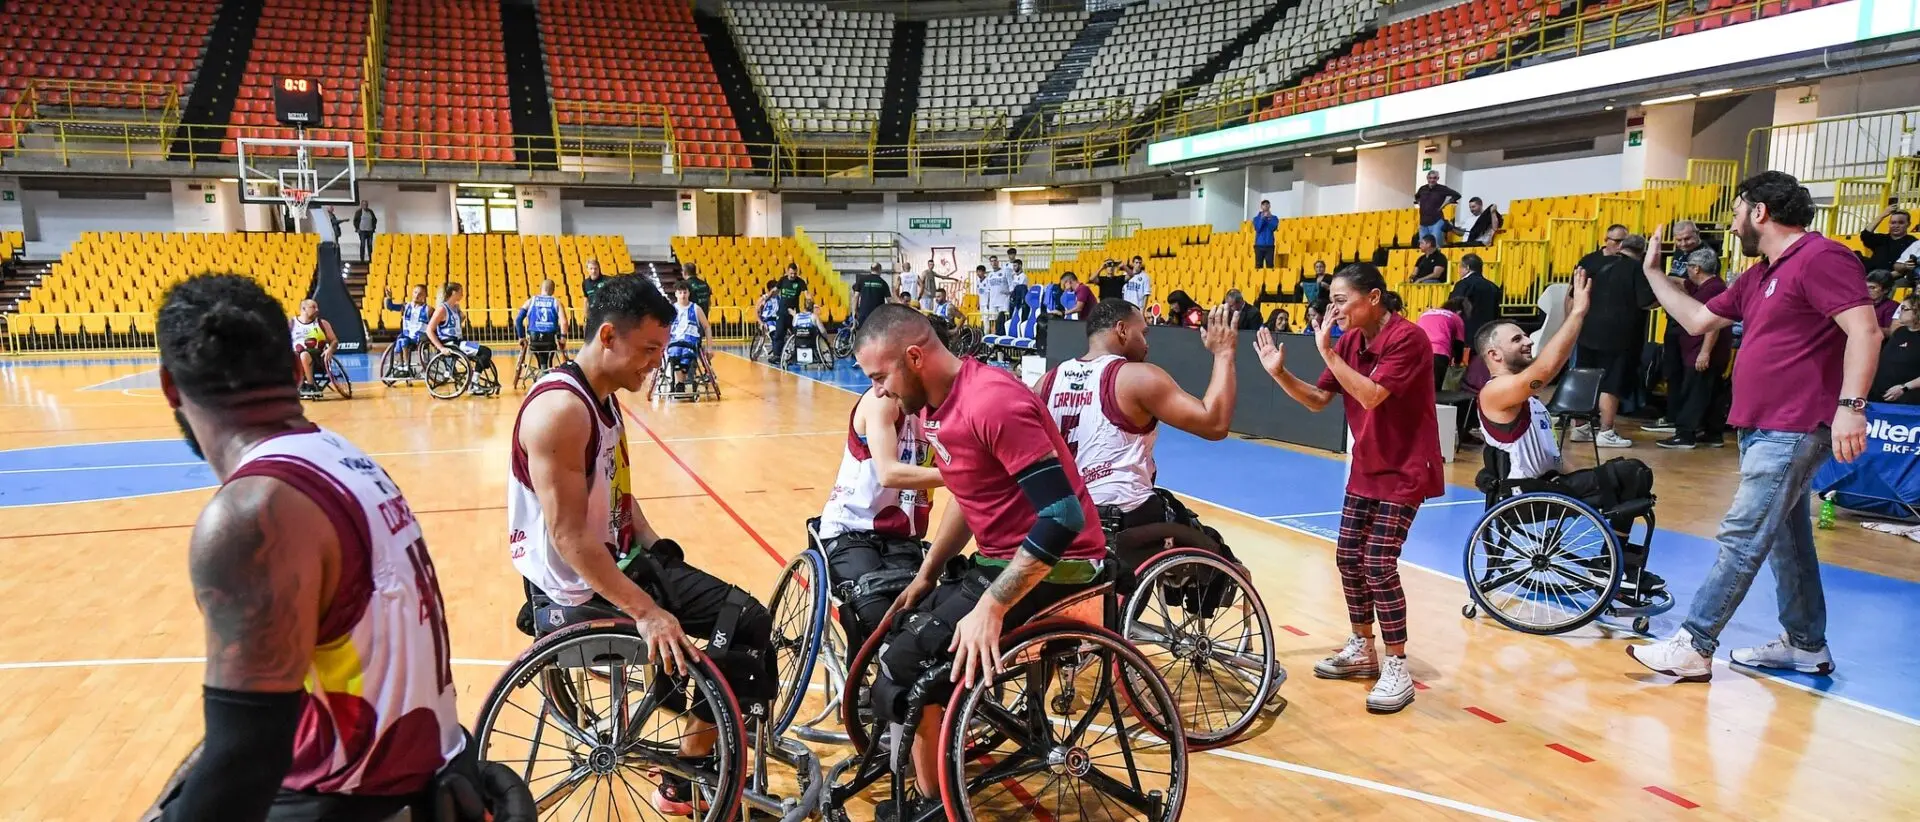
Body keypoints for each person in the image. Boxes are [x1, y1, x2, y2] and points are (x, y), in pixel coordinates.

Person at [142, 274, 480, 821]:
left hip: (356, 801)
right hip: (427, 775)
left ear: (170, 388)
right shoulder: (344, 456)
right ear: (299, 369)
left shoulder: (253, 513)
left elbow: (245, 759)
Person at [508, 275, 775, 814]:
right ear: (608, 336)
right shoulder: (561, 411)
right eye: (650, 349)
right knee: (742, 624)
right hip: (576, 589)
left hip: (613, 560)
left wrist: (657, 548)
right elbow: (568, 538)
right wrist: (648, 611)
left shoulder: (603, 398)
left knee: (739, 617)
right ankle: (686, 772)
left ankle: (696, 733)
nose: (657, 362)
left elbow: (617, 500)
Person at [852, 305, 1107, 821]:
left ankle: (931, 805)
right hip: (999, 560)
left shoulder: (992, 402)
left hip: (1062, 566)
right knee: (898, 628)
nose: (878, 392)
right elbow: (970, 498)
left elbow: (1062, 517)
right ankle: (932, 772)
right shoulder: (933, 408)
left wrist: (993, 604)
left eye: (880, 377)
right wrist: (926, 575)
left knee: (911, 662)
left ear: (915, 356)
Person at [1627, 171, 1879, 682]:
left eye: (1738, 209)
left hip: (1794, 425)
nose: (1734, 221)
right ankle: (1806, 643)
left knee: (1742, 534)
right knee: (1788, 539)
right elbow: (1698, 321)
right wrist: (1654, 275)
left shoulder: (1822, 258)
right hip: (1760, 426)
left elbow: (1865, 331)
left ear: (1759, 211)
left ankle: (1695, 643)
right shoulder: (1762, 273)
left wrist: (1851, 406)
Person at [1254, 263, 1442, 714]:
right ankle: (1362, 646)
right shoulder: (1351, 341)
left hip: (1406, 469)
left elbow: (1373, 395)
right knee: (1347, 557)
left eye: (1341, 300)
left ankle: (1396, 664)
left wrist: (1329, 355)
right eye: (1332, 300)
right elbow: (1320, 401)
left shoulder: (1408, 339)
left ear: (1373, 298)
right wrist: (1279, 373)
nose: (1332, 309)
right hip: (1367, 468)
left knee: (1378, 562)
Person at [1474, 271, 1668, 602]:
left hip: (1547, 486)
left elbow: (1555, 458)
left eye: (1526, 337)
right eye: (1517, 339)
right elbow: (1545, 370)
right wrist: (1577, 313)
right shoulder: (1495, 392)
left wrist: (1593, 478)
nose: (1528, 341)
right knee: (1630, 472)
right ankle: (1613, 568)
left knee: (1630, 475)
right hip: (1523, 497)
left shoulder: (1530, 401)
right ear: (1494, 355)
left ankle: (1613, 565)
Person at [1042, 299, 1237, 536]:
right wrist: (1224, 354)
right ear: (1122, 330)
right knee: (1225, 561)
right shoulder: (1136, 377)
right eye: (1143, 333)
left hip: (1062, 518)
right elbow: (1214, 424)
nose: (1146, 344)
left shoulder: (1046, 382)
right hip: (1122, 516)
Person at [817, 382, 943, 653]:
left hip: (902, 537)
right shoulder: (881, 402)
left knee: (930, 621)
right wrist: (965, 475)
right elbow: (888, 473)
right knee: (877, 616)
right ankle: (859, 687)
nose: (877, 385)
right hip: (851, 530)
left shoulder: (946, 410)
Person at [1570, 223, 1650, 448]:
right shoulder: (1637, 269)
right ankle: (1606, 431)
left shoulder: (1594, 264)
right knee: (1610, 382)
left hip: (1587, 329)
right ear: (1641, 252)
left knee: (1585, 378)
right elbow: (1645, 301)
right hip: (1618, 335)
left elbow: (1574, 295)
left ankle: (1580, 428)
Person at [1646, 249, 1732, 449]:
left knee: (1694, 392)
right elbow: (1679, 282)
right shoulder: (1705, 286)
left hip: (1702, 352)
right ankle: (1712, 433)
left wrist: (1704, 352)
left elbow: (1713, 324)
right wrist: (1657, 275)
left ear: (1696, 268)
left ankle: (1685, 435)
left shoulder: (1713, 290)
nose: (1686, 272)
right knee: (1711, 392)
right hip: (1702, 351)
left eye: (1689, 267)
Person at [426, 283, 498, 397]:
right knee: (486, 352)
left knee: (484, 354)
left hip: (458, 342)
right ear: (454, 293)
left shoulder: (454, 308)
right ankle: (474, 383)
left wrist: (459, 314)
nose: (463, 294)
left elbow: (457, 322)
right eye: (461, 292)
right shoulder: (441, 309)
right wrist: (441, 348)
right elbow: (429, 330)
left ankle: (475, 379)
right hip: (451, 344)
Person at [1873, 295, 1920, 405]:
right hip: (1881, 396)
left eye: (1904, 308)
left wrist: (1904, 388)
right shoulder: (1900, 332)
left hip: (1908, 400)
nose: (1900, 312)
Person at [515, 280, 569, 372]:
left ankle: (542, 370)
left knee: (539, 354)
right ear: (553, 290)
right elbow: (564, 322)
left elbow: (518, 320)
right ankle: (546, 370)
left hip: (534, 340)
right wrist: (563, 338)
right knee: (549, 355)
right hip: (550, 341)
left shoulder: (531, 301)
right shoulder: (556, 302)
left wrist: (521, 337)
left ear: (541, 289)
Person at [289, 298, 337, 400]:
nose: (317, 310)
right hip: (295, 360)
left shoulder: (322, 323)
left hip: (318, 359)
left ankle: (311, 386)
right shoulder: (292, 324)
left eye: (317, 307)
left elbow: (334, 341)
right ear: (304, 309)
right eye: (313, 307)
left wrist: (330, 349)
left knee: (304, 354)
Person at [1448, 253, 1502, 343]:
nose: (1459, 271)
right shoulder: (1493, 286)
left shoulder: (1463, 284)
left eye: (1460, 267)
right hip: (1488, 333)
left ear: (1467, 268)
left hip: (1467, 333)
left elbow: (1454, 307)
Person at [1416, 297, 1467, 387]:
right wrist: (1457, 364)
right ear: (1460, 312)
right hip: (1438, 352)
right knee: (1434, 389)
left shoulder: (1426, 313)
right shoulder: (1456, 317)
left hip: (1415, 351)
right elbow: (1459, 344)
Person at [384, 284, 434, 373]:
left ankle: (407, 366)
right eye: (415, 292)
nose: (417, 295)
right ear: (412, 293)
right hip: (407, 335)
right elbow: (390, 307)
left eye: (420, 293)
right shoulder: (406, 306)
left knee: (403, 341)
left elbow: (437, 322)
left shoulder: (428, 309)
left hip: (420, 337)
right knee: (400, 341)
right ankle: (401, 364)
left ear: (425, 296)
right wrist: (388, 298)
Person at [1861, 206, 1916, 280]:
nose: (1896, 226)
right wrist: (1882, 215)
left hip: (1893, 280)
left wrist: (1884, 278)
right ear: (1889, 224)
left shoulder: (1913, 242)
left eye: (1901, 223)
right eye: (1893, 223)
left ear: (1908, 224)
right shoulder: (1881, 238)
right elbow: (1865, 235)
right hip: (1871, 276)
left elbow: (1910, 266)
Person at [771, 263, 808, 361]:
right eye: (791, 273)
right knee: (779, 334)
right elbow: (775, 290)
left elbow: (807, 294)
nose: (793, 276)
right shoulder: (782, 280)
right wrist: (766, 298)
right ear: (787, 271)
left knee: (797, 334)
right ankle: (777, 355)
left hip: (794, 314)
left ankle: (796, 355)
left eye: (795, 274)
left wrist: (811, 304)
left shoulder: (800, 282)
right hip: (782, 313)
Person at [1413, 171, 1460, 247]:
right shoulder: (1422, 188)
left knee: (1435, 246)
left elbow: (1457, 195)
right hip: (1423, 222)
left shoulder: (1442, 188)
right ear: (1427, 178)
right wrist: (1420, 203)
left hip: (1436, 221)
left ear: (1438, 178)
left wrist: (1445, 204)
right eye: (1430, 178)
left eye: (1434, 178)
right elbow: (1417, 196)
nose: (1432, 180)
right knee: (1423, 247)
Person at [854, 263, 892, 328]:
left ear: (871, 269)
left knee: (863, 333)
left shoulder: (862, 280)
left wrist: (855, 310)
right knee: (876, 333)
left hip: (863, 312)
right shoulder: (883, 282)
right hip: (878, 314)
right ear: (880, 270)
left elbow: (856, 296)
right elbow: (889, 300)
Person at [1253, 199, 1280, 269]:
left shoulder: (1274, 218)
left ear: (1269, 206)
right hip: (1259, 245)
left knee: (1270, 266)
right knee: (1258, 266)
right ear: (1261, 206)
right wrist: (1262, 219)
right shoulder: (1256, 219)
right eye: (1264, 205)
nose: (1266, 206)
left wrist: (1268, 219)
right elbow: (1258, 228)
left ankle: (1270, 280)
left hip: (1269, 246)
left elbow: (1273, 228)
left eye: (1267, 204)